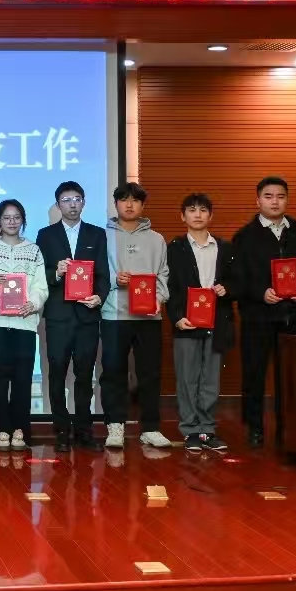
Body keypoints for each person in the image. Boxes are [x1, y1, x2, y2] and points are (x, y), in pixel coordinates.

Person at [232, 176, 296, 448]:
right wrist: (260, 293)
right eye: (268, 196)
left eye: (280, 196)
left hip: (292, 317)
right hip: (257, 318)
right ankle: (254, 428)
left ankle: (288, 428)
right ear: (258, 201)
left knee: (291, 377)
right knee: (254, 374)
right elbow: (236, 278)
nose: (275, 202)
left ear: (287, 200)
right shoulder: (244, 237)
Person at [35, 181, 109, 452]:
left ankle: (84, 430)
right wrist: (56, 272)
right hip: (58, 317)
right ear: (58, 205)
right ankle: (61, 431)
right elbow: (38, 275)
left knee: (84, 375)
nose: (72, 204)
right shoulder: (46, 236)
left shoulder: (96, 234)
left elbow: (103, 274)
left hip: (87, 316)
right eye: (66, 200)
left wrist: (99, 296)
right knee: (56, 374)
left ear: (84, 202)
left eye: (77, 199)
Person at [165, 193, 240, 453]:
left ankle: (207, 429)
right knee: (187, 378)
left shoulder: (225, 248)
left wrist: (227, 289)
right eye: (192, 210)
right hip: (187, 321)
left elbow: (238, 281)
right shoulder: (174, 248)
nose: (197, 215)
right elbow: (169, 287)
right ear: (182, 216)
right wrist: (176, 317)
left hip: (217, 321)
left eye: (203, 210)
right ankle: (190, 430)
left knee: (210, 379)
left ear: (210, 215)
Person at [99, 182, 170, 450]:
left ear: (142, 205)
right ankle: (115, 425)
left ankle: (150, 428)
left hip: (149, 317)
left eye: (135, 200)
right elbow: (97, 273)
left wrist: (157, 300)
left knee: (149, 373)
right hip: (114, 314)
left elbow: (163, 274)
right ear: (116, 203)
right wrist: (114, 280)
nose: (129, 205)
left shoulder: (156, 239)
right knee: (114, 372)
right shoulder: (102, 236)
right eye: (124, 200)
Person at [0, 200, 48, 451]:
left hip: (24, 323)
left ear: (23, 221)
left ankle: (20, 430)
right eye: (6, 218)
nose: (12, 222)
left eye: (16, 217)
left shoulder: (34, 250)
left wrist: (33, 303)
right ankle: (0, 431)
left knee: (22, 380)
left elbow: (41, 286)